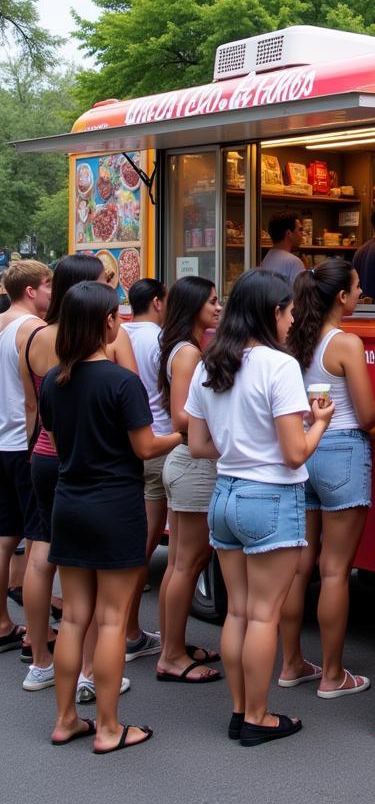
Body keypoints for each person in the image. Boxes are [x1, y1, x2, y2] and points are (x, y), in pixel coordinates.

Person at [184, 268, 333, 746]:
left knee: (239, 613)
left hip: (225, 495)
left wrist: (238, 446)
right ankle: (259, 717)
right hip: (270, 496)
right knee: (266, 615)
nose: (293, 321)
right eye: (289, 311)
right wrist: (321, 424)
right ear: (274, 311)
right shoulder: (279, 365)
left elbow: (197, 442)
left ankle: (238, 710)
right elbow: (295, 453)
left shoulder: (211, 363)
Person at [41, 280, 181, 752]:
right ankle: (106, 727)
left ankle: (65, 719)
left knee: (76, 616)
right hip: (116, 505)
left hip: (69, 503)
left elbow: (60, 447)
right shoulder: (121, 382)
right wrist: (182, 436)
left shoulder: (52, 380)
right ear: (104, 323)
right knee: (112, 619)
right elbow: (144, 447)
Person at [279, 259, 375, 697]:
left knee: (299, 568)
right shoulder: (346, 344)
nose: (361, 295)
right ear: (342, 296)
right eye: (357, 288)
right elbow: (368, 414)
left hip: (303, 450)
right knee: (335, 570)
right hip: (341, 451)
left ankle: (291, 663)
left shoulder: (293, 338)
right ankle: (333, 676)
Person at [20, 255, 108, 692]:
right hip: (83, 459)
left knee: (41, 554)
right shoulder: (94, 339)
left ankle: (39, 662)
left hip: (41, 453)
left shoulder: (34, 337)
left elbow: (32, 405)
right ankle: (88, 672)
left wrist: (39, 446)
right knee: (87, 568)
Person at [154, 276, 222, 683]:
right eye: (211, 301)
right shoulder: (189, 355)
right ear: (193, 305)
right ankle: (173, 655)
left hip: (183, 463)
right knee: (189, 562)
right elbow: (181, 416)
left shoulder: (185, 348)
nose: (218, 307)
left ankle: (171, 646)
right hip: (192, 463)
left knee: (179, 562)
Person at [0, 260, 50, 666]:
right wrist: (40, 444)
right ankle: (38, 634)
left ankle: (2, 622)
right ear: (31, 290)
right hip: (23, 441)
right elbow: (35, 396)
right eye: (48, 284)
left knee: (5, 535)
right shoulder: (31, 329)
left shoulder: (1, 322)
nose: (53, 291)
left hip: (3, 438)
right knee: (36, 539)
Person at [121, 278, 169, 653]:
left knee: (137, 542)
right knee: (146, 545)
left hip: (129, 443)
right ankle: (128, 629)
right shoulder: (160, 341)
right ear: (157, 302)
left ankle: (127, 628)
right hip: (160, 442)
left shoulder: (119, 334)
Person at [260, 213, 305, 286]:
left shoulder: (266, 258)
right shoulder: (294, 262)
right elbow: (301, 296)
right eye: (300, 230)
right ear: (288, 233)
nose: (302, 234)